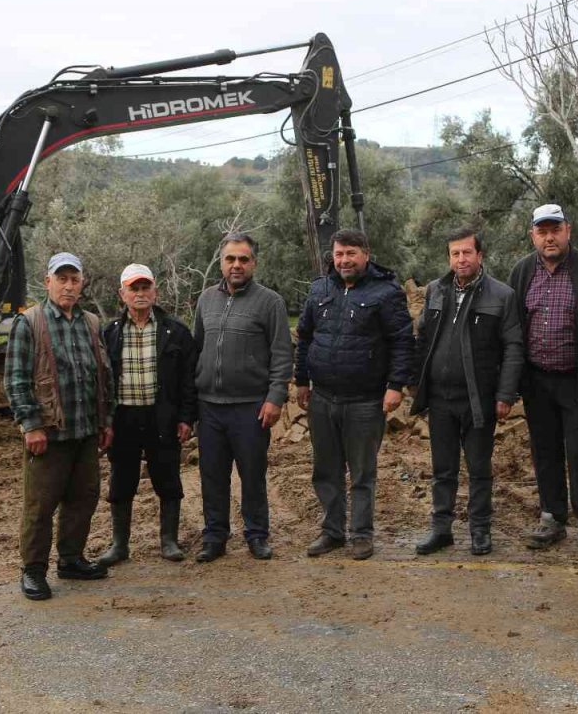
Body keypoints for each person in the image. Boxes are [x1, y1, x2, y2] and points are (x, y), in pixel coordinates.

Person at [295, 229, 414, 560]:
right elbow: (304, 336)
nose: (344, 260)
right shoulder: (320, 288)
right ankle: (332, 532)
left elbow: (402, 341)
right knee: (326, 469)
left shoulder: (386, 292)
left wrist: (395, 386)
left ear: (366, 253)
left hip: (365, 400)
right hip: (323, 398)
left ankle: (361, 534)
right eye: (338, 254)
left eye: (351, 253)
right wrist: (301, 379)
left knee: (362, 472)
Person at [4, 252, 113, 601]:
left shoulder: (92, 323)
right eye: (61, 279)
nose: (68, 285)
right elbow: (16, 380)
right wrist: (30, 425)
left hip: (85, 432)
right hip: (47, 434)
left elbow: (104, 377)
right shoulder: (29, 323)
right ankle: (34, 571)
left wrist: (105, 421)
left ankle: (71, 560)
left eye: (74, 279)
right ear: (48, 281)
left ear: (82, 283)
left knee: (83, 499)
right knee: (40, 505)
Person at [410, 227, 525, 556]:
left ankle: (479, 530)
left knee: (478, 468)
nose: (461, 259)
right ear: (449, 257)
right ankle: (441, 529)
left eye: (467, 253)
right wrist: (416, 382)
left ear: (480, 255)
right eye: (455, 253)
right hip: (440, 400)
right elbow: (422, 339)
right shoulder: (435, 290)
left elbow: (513, 348)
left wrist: (505, 395)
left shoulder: (502, 296)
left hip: (479, 400)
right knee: (442, 469)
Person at [507, 204, 578, 555]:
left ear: (569, 230)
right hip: (537, 381)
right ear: (532, 235)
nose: (549, 237)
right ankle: (552, 517)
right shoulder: (522, 272)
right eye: (542, 231)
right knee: (545, 451)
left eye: (555, 229)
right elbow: (512, 329)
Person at [192, 233, 292, 562]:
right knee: (212, 475)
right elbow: (198, 349)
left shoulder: (270, 302)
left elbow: (281, 355)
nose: (237, 265)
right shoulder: (206, 299)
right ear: (221, 262)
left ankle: (257, 535)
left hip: (251, 407)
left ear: (254, 263)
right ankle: (215, 536)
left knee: (252, 475)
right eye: (230, 259)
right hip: (209, 407)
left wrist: (275, 398)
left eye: (243, 259)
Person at [97, 263, 199, 567]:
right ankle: (119, 545)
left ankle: (169, 541)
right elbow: (102, 380)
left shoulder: (176, 331)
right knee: (121, 480)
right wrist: (105, 421)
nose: (140, 294)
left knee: (167, 477)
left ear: (155, 291)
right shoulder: (110, 333)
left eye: (145, 287)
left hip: (162, 417)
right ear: (122, 294)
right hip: (124, 419)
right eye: (133, 288)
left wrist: (186, 417)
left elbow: (188, 380)